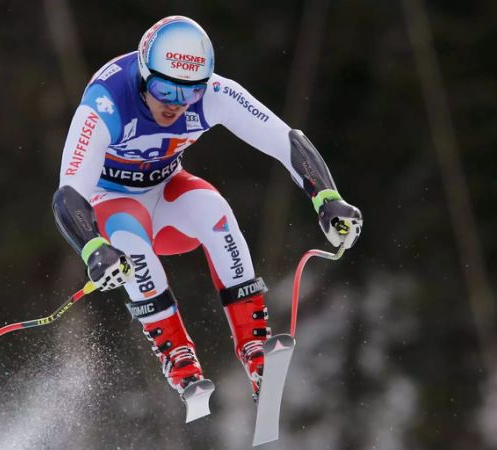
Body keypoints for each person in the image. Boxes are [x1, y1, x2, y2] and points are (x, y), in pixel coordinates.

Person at [51, 16, 363, 400]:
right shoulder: (107, 100)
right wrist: (93, 246)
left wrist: (327, 199)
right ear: (145, 76)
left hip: (167, 194)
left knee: (214, 210)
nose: (174, 105)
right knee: (130, 243)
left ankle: (254, 346)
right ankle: (178, 357)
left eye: (189, 94)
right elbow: (69, 193)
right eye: (165, 89)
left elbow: (285, 140)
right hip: (111, 201)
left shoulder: (215, 94)